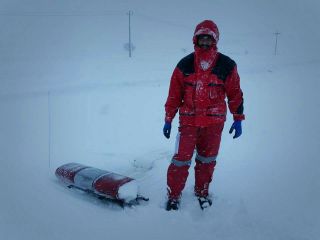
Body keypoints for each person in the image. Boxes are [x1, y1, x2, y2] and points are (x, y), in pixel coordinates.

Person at [163, 20, 245, 211]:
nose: (205, 42)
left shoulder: (227, 65)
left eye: (209, 38)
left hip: (214, 124)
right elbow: (174, 94)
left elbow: (235, 93)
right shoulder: (185, 64)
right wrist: (168, 119)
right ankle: (173, 195)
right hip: (189, 123)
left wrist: (238, 118)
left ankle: (202, 192)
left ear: (215, 40)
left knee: (207, 161)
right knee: (180, 160)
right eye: (202, 38)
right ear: (196, 39)